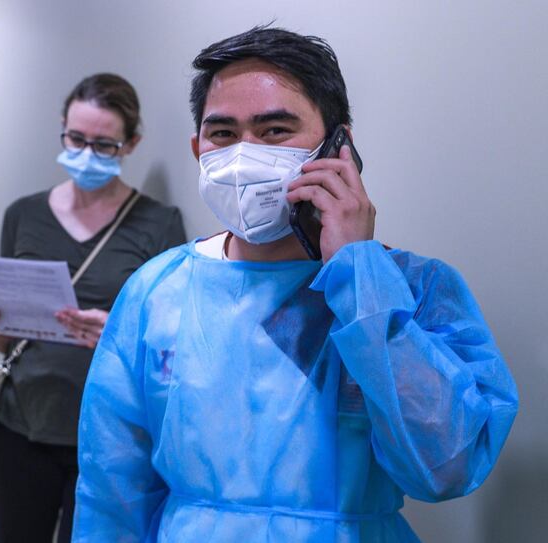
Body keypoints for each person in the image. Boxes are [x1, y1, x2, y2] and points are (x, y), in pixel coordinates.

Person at [72, 26, 519, 542]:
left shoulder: (412, 289)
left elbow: (447, 467)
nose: (244, 155)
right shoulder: (156, 293)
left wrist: (357, 271)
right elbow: (111, 492)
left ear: (339, 145)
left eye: (275, 130)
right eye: (223, 134)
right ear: (198, 148)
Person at [0, 73, 186, 542]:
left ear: (130, 144)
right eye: (76, 138)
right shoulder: (23, 214)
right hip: (22, 424)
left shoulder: (159, 224)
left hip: (110, 434)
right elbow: (12, 334)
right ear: (62, 128)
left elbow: (174, 343)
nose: (86, 153)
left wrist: (118, 336)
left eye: (103, 145)